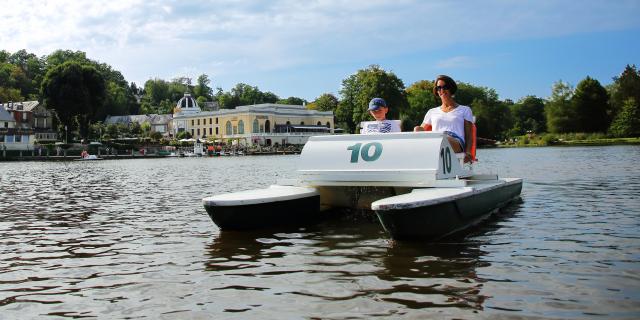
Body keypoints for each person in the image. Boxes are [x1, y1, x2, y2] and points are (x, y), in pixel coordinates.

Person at [414, 75, 474, 163]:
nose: (442, 90)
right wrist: (418, 130)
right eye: (439, 88)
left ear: (451, 89)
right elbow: (421, 130)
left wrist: (468, 152)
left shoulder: (464, 110)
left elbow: (469, 135)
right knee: (417, 129)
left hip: (455, 141)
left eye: (445, 87)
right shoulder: (432, 111)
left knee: (443, 139)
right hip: (435, 139)